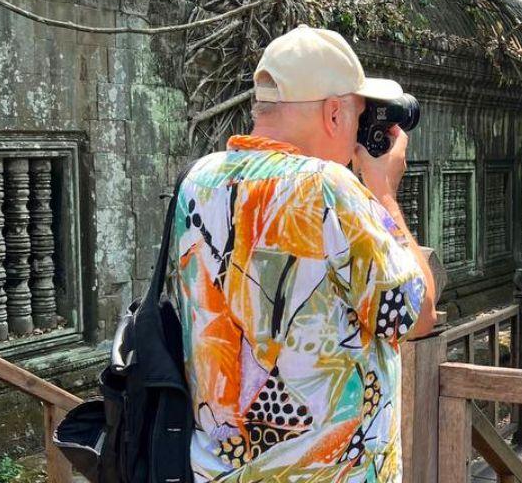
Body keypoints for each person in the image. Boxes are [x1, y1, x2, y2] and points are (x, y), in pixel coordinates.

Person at [172, 25, 438, 482]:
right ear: (334, 114)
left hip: (217, 470)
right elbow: (418, 315)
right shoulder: (329, 188)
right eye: (357, 116)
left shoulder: (199, 179)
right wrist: (382, 192)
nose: (359, 131)